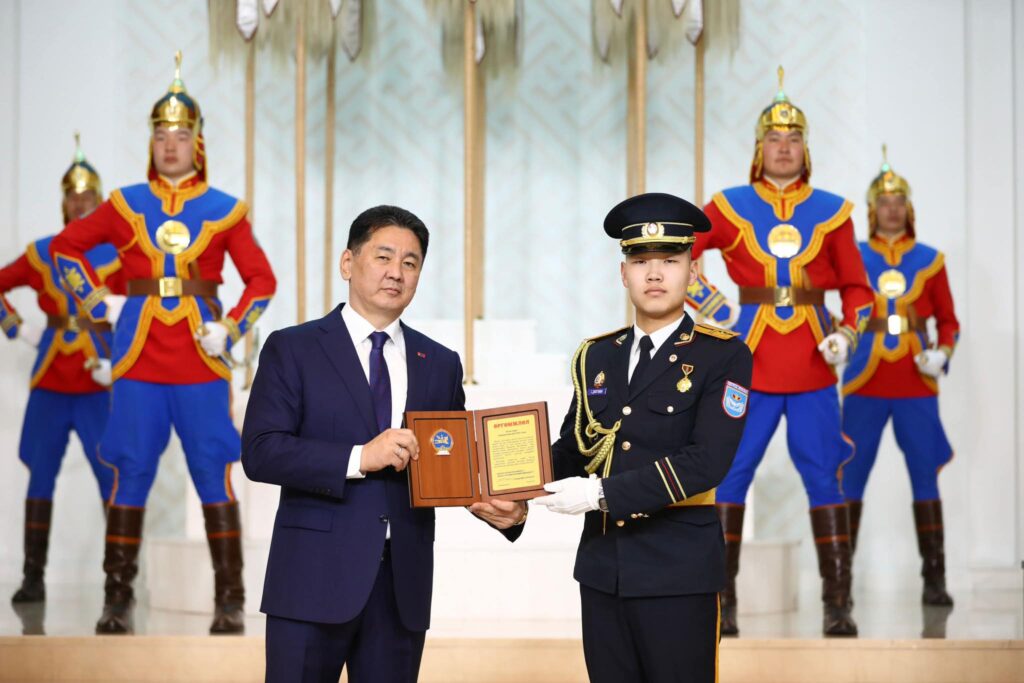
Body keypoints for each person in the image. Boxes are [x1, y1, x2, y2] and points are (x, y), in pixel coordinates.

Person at [242, 205, 526, 683]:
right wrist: (359, 457)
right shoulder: (293, 348)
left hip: (401, 588)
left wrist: (504, 508)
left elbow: (452, 460)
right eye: (384, 256)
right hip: (311, 579)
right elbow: (261, 451)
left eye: (410, 263)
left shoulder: (439, 362)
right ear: (348, 263)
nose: (397, 272)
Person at [49, 52, 277, 635]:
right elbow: (66, 249)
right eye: (160, 135)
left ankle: (230, 599)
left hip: (201, 356)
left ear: (197, 141)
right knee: (130, 469)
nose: (169, 145)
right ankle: (117, 600)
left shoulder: (226, 211)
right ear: (150, 142)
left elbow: (262, 281)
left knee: (212, 470)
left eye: (179, 135)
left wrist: (232, 327)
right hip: (138, 356)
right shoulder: (124, 203)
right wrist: (96, 302)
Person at [684, 67, 874, 636]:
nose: (784, 147)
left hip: (814, 362)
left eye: (793, 139)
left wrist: (849, 332)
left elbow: (858, 288)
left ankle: (837, 606)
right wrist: (710, 303)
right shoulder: (730, 204)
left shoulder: (834, 210)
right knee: (729, 475)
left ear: (805, 148)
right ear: (759, 147)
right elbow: (682, 250)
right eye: (774, 138)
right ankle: (721, 605)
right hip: (746, 362)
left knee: (826, 477)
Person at [535, 192, 752, 683]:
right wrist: (504, 483)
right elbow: (574, 449)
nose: (654, 274)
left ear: (693, 273)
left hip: (678, 573)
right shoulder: (597, 356)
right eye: (640, 261)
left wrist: (601, 494)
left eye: (670, 261)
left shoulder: (723, 356)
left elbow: (707, 462)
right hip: (603, 571)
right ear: (623, 273)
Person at [1, 134, 120, 604]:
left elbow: (139, 308)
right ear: (63, 202)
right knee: (40, 474)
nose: (80, 203)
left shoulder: (117, 252)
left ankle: (118, 582)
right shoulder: (42, 252)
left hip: (97, 380)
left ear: (99, 200)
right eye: (73, 196)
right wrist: (16, 328)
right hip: (51, 381)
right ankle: (32, 577)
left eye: (88, 196)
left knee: (110, 476)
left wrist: (119, 360)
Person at [842, 147, 959, 606]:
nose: (892, 209)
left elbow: (948, 320)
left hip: (916, 384)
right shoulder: (852, 256)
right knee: (849, 478)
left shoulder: (931, 259)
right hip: (863, 382)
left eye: (899, 201)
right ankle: (839, 584)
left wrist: (942, 352)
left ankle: (935, 579)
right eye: (884, 202)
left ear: (909, 209)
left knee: (925, 477)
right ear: (873, 210)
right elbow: (839, 310)